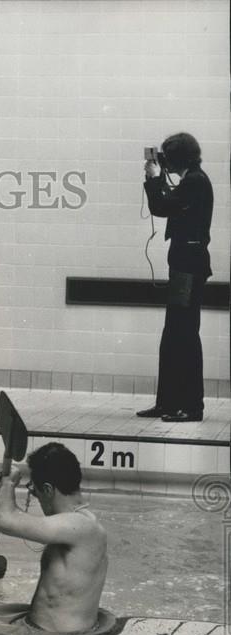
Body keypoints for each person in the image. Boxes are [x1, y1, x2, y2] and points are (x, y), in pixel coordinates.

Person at [0, 442, 109, 635]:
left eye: (33, 491)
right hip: (47, 631)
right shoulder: (80, 523)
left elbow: (5, 519)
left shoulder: (80, 526)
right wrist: (6, 503)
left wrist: (8, 484)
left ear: (48, 489)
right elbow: (9, 519)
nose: (34, 496)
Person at [138, 133, 213, 423]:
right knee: (174, 336)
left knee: (183, 334)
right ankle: (168, 402)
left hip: (188, 268)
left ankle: (192, 406)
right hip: (186, 265)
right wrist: (158, 181)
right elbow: (171, 202)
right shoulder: (194, 180)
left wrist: (154, 179)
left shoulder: (195, 181)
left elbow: (161, 206)